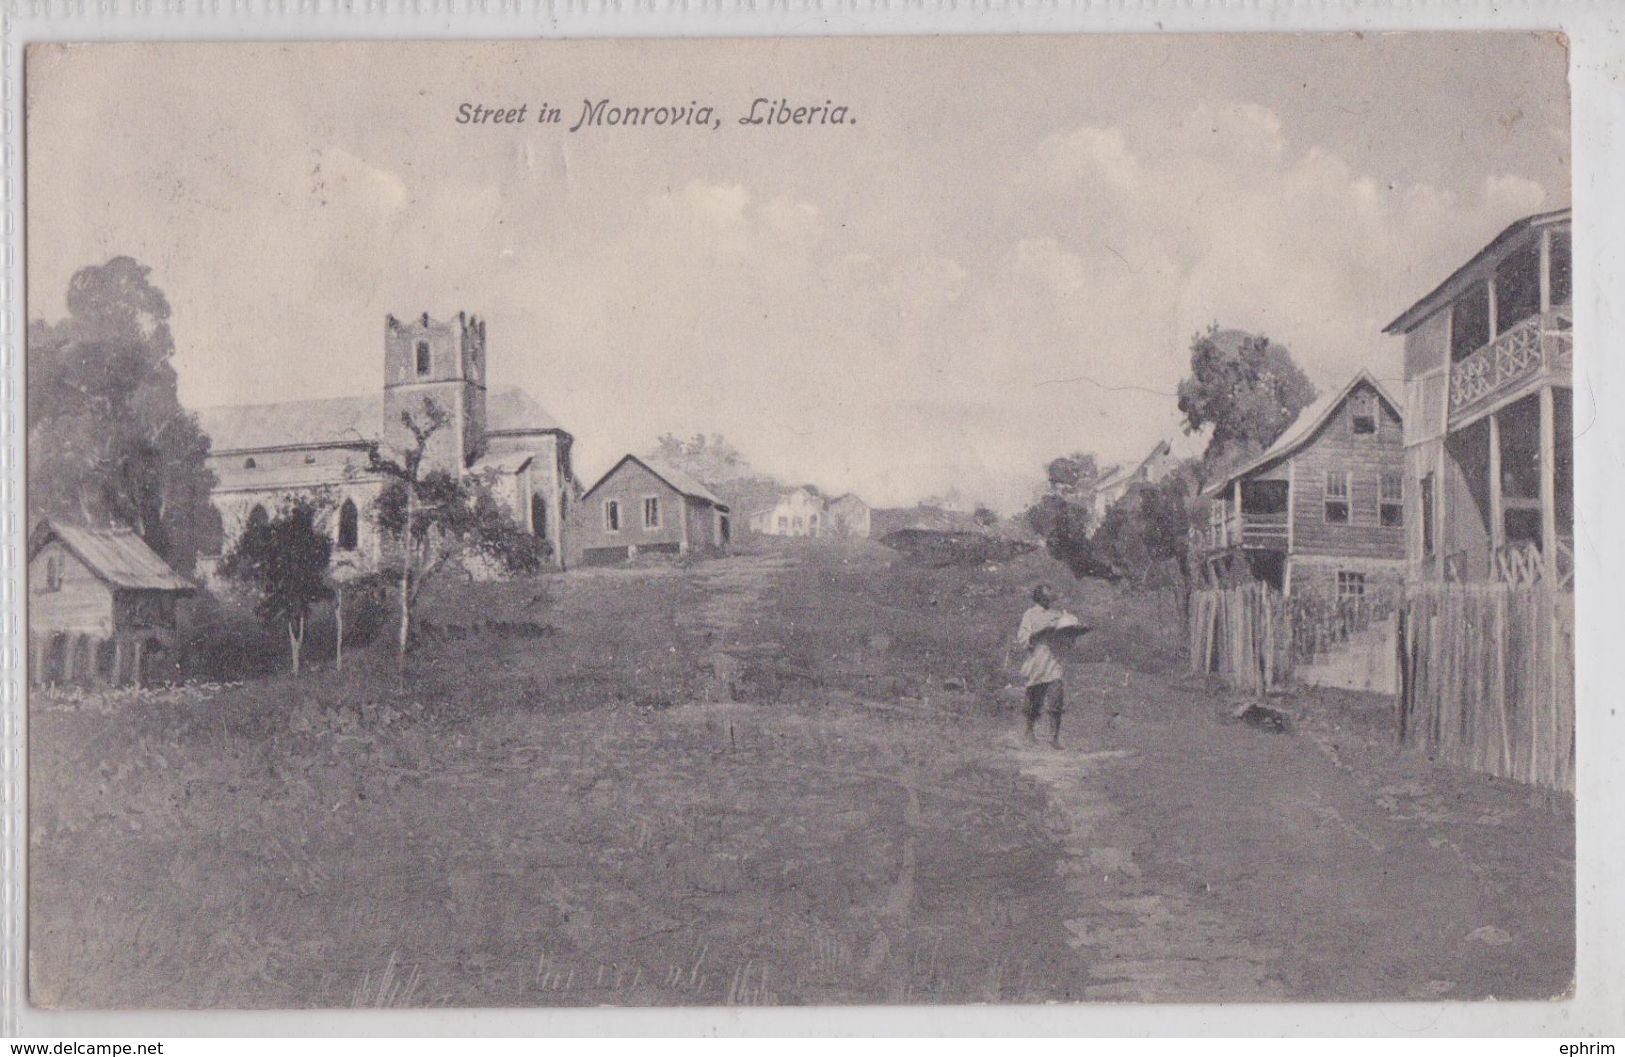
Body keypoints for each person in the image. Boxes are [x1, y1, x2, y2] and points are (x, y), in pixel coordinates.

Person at [1014, 583, 1068, 748]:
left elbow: (1066, 638)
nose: (1050, 597)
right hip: (1037, 662)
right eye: (1047, 594)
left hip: (1054, 661)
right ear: (1039, 596)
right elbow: (1023, 638)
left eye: (1051, 594)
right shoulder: (1030, 614)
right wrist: (1041, 631)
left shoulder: (1058, 615)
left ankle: (1054, 738)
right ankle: (1029, 732)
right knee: (1033, 700)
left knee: (1056, 699)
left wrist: (1069, 633)